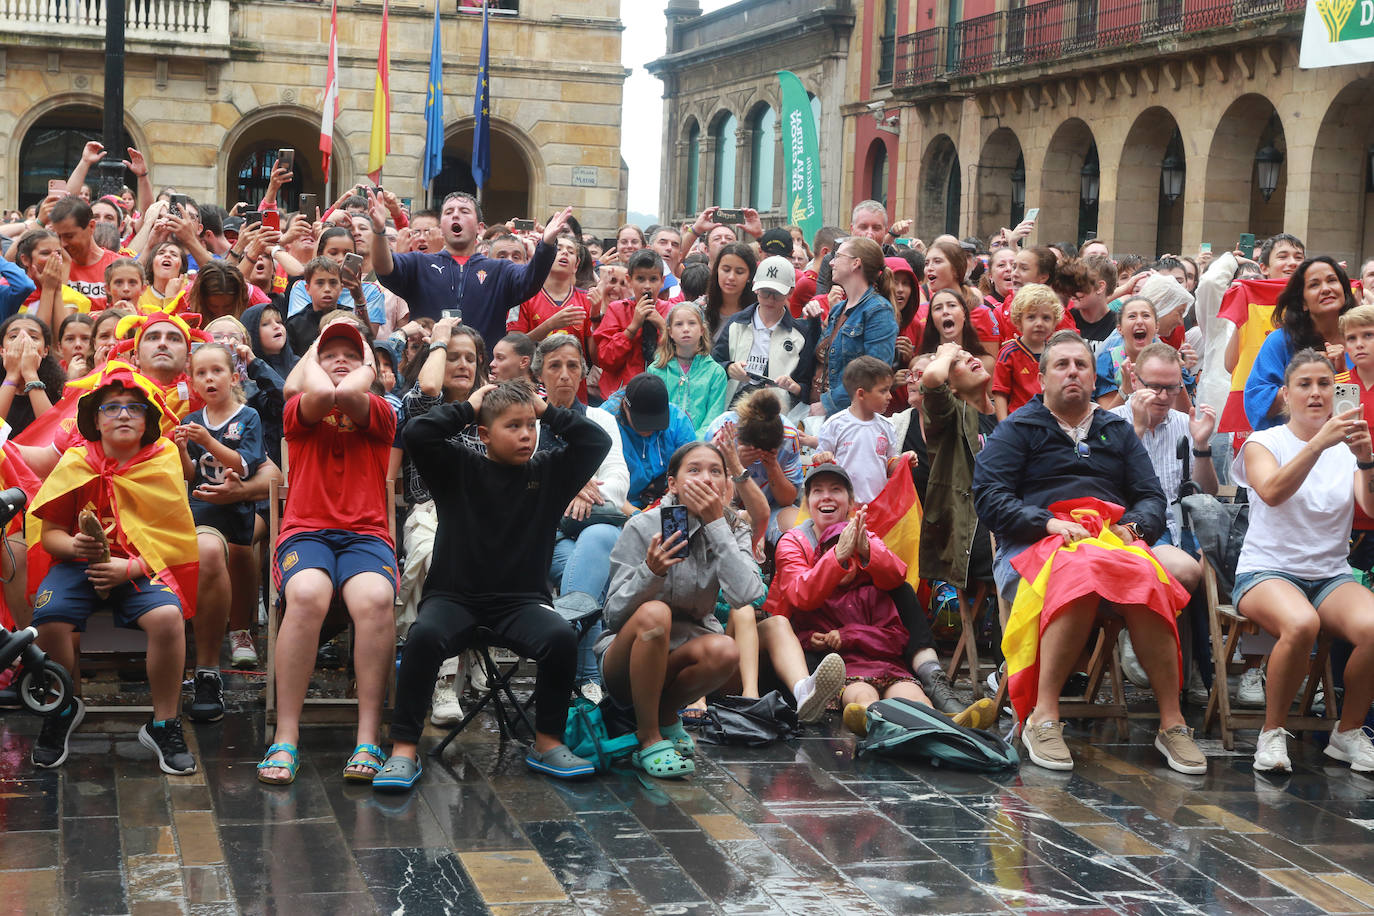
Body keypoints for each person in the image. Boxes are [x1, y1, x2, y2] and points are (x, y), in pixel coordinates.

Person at [973, 330, 1206, 775]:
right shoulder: (1018, 429)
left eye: (1081, 364)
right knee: (1079, 573)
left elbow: (1150, 496)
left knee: (1148, 577)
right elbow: (988, 497)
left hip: (1108, 543)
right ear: (1041, 378)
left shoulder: (1114, 429)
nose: (1073, 372)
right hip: (1033, 546)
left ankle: (1172, 723)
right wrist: (1049, 523)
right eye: (1061, 365)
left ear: (1093, 374)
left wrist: (1132, 529)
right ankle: (1043, 716)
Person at [375, 379, 611, 789]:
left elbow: (596, 442)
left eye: (530, 427)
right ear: (484, 435)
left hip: (520, 603)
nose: (525, 435)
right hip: (454, 598)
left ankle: (547, 741)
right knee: (423, 638)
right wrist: (468, 407)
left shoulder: (549, 473)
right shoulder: (459, 468)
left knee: (559, 637)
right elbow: (417, 433)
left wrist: (545, 410)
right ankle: (403, 750)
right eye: (512, 426)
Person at [28, 367, 198, 774]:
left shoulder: (164, 459)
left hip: (142, 565)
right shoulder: (75, 461)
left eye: (134, 408)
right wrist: (75, 545)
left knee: (168, 619)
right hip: (77, 566)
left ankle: (163, 722)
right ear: (95, 419)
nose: (123, 415)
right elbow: (50, 535)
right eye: (112, 408)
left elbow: (176, 535)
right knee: (47, 621)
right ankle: (63, 707)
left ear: (148, 420)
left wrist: (132, 567)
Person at [259, 320, 397, 786]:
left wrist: (338, 361)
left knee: (375, 600)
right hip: (306, 533)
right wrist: (317, 352)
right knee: (306, 595)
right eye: (329, 353)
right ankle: (286, 735)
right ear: (313, 362)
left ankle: (368, 737)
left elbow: (351, 396)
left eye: (351, 354)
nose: (340, 360)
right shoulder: (300, 407)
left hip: (366, 536)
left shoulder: (378, 409)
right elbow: (320, 398)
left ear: (369, 368)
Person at [1232, 349, 1374, 773]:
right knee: (1300, 623)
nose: (1316, 393)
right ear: (1285, 395)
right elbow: (1272, 492)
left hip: (1330, 574)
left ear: (1337, 391)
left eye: (1325, 384)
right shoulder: (1265, 441)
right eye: (1304, 385)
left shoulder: (1347, 447)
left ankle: (1347, 732)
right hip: (1265, 571)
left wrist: (1366, 459)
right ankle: (1271, 734)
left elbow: (1368, 504)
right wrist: (1317, 443)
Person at [773, 464, 986, 735]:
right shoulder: (794, 541)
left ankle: (941, 707)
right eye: (818, 491)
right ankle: (873, 721)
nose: (826, 497)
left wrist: (865, 549)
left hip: (882, 661)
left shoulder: (868, 576)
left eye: (835, 490)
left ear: (850, 502)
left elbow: (897, 587)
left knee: (909, 686)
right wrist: (837, 557)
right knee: (860, 695)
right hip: (828, 657)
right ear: (808, 502)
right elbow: (800, 599)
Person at [600, 442, 765, 778]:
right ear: (673, 484)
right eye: (694, 470)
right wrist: (650, 571)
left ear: (724, 484)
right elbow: (613, 615)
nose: (706, 479)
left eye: (715, 471)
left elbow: (747, 594)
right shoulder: (644, 527)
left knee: (725, 650)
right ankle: (648, 737)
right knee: (655, 613)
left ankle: (663, 716)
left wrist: (716, 526)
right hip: (627, 658)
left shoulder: (733, 528)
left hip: (683, 652)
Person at [173, 342, 265, 719]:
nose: (210, 378)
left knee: (233, 557)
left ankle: (234, 633)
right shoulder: (193, 418)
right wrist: (182, 450)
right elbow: (191, 475)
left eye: (217, 371)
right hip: (200, 509)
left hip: (235, 512)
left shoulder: (248, 416)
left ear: (233, 375)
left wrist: (208, 441)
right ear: (192, 380)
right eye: (201, 373)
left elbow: (244, 466)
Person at [535, 336, 629, 696]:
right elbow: (521, 480)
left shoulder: (600, 418)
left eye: (572, 366)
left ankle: (566, 662)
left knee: (597, 539)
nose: (564, 374)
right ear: (540, 372)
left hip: (594, 527)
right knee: (588, 565)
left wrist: (585, 492)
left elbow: (619, 480)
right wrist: (569, 487)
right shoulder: (529, 420)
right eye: (555, 366)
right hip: (546, 534)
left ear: (582, 373)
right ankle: (590, 678)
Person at [369, 190, 573, 355]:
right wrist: (378, 232)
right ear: (441, 227)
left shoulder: (500, 270)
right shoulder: (418, 263)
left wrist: (546, 244)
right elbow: (385, 268)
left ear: (479, 227)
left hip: (481, 373)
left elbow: (532, 279)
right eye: (449, 212)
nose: (456, 214)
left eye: (464, 211)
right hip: (427, 369)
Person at [1244, 257, 1358, 432]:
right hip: (1294, 451)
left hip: (1353, 448)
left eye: (1332, 280)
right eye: (1314, 285)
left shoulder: (1364, 339)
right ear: (1303, 302)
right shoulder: (1280, 341)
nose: (1326, 289)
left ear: (1344, 290)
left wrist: (1342, 375)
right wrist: (1304, 376)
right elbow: (1256, 404)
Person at [713, 254, 815, 413]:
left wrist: (795, 388)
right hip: (735, 404)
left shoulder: (800, 334)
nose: (770, 299)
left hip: (778, 409)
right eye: (765, 292)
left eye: (777, 293)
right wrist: (729, 368)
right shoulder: (736, 324)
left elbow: (806, 383)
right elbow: (715, 364)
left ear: (790, 292)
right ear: (755, 287)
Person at [811, 238, 898, 417]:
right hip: (827, 414)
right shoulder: (838, 308)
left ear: (855, 263)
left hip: (854, 419)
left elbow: (875, 374)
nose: (832, 262)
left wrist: (827, 404)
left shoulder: (878, 310)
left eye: (838, 256)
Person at [814, 356, 911, 505]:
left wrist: (904, 461)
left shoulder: (887, 426)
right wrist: (823, 458)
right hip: (843, 509)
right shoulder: (835, 424)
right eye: (883, 391)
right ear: (861, 394)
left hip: (878, 508)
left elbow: (890, 465)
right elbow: (818, 463)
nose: (890, 396)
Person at [593, 249, 672, 399]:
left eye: (653, 279)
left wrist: (663, 327)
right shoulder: (617, 309)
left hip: (660, 393)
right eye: (640, 279)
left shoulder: (672, 311)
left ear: (662, 281)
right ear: (629, 280)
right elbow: (605, 360)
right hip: (621, 395)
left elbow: (682, 356)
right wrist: (632, 328)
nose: (647, 286)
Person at [647, 302, 728, 437]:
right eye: (679, 324)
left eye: (692, 323)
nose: (686, 329)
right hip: (662, 444)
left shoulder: (716, 373)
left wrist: (692, 443)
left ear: (702, 330)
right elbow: (652, 414)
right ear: (670, 332)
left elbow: (712, 419)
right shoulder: (655, 370)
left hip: (698, 447)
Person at [993, 284, 1062, 419]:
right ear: (1019, 321)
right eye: (1031, 317)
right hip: (1020, 423)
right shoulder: (1009, 353)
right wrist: (1004, 426)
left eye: (1046, 318)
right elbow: (1000, 393)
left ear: (1054, 322)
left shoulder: (1055, 353)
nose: (1039, 323)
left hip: (1051, 422)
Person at [0, 314, 63, 435]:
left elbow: (53, 434)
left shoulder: (59, 390)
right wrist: (12, 375)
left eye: (33, 337)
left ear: (45, 350)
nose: (23, 341)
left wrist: (30, 374)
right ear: (2, 350)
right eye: (14, 336)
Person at [49, 197, 120, 302]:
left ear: (91, 227)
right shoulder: (50, 265)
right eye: (58, 237)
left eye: (69, 236)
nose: (62, 244)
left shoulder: (118, 266)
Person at [698, 242, 757, 341]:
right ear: (717, 271)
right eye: (726, 270)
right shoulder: (699, 309)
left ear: (749, 276)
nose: (731, 277)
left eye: (739, 272)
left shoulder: (759, 312)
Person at [285, 257, 344, 355]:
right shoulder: (295, 325)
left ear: (341, 288)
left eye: (333, 283)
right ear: (307, 288)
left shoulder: (350, 318)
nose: (327, 289)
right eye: (320, 283)